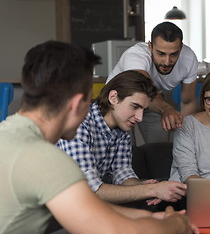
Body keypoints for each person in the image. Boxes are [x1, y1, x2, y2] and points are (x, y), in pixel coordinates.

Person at [0, 40, 197, 234]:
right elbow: (111, 227)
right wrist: (176, 225)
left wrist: (152, 218)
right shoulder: (47, 158)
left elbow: (83, 206)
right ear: (77, 103)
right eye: (88, 100)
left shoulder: (9, 135)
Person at [57, 70, 187, 207]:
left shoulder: (122, 128)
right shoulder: (78, 124)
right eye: (135, 107)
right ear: (113, 98)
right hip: (56, 203)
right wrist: (150, 190)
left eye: (144, 110)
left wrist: (146, 186)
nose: (140, 117)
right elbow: (89, 190)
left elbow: (122, 173)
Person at [107, 21, 199, 143]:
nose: (167, 62)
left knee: (159, 147)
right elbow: (144, 89)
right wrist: (166, 109)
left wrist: (185, 136)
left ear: (181, 48)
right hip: (121, 100)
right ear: (150, 47)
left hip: (152, 99)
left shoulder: (189, 59)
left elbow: (188, 102)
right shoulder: (136, 55)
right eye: (161, 54)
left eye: (173, 54)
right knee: (127, 148)